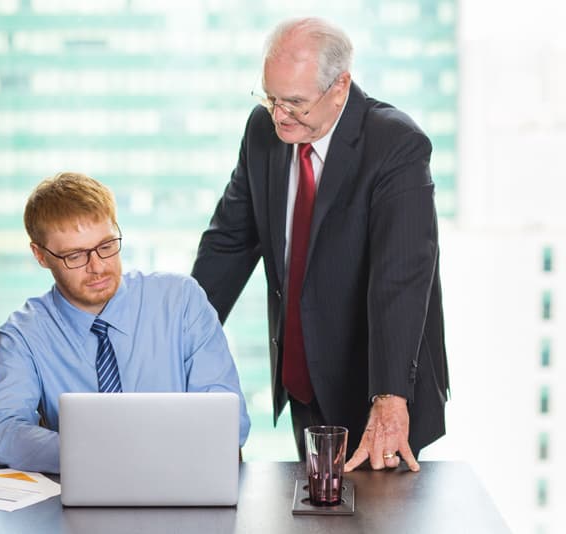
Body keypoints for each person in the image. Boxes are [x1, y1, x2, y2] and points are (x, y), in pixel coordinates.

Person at [191, 17, 448, 472]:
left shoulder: (395, 144)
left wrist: (390, 398)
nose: (279, 116)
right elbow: (227, 243)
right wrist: (179, 335)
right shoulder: (262, 133)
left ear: (340, 86)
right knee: (317, 513)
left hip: (378, 384)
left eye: (294, 103)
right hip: (304, 377)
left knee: (375, 519)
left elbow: (401, 280)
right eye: (271, 98)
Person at [0, 172, 251, 473]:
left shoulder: (181, 301)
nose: (97, 267)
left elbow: (229, 422)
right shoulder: (24, 334)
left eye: (106, 246)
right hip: (77, 502)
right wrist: (93, 456)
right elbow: (0, 430)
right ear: (41, 256)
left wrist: (135, 454)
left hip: (180, 488)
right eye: (75, 256)